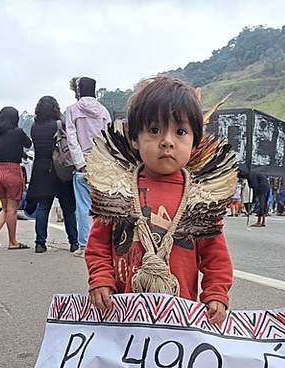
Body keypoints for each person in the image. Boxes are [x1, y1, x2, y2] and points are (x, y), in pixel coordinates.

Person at [85, 76, 235, 325]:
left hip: (180, 317)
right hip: (122, 314)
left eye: (180, 132)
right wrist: (100, 278)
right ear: (135, 138)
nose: (167, 141)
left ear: (195, 141)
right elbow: (98, 244)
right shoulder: (117, 190)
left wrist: (216, 293)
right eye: (154, 130)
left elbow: (215, 255)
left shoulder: (201, 198)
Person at [65, 76, 111, 256]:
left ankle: (85, 245)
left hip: (83, 166)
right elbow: (108, 139)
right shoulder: (104, 111)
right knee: (103, 207)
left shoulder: (72, 110)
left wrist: (80, 163)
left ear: (79, 90)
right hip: (101, 165)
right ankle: (104, 246)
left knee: (83, 207)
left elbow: (71, 138)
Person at [26, 95, 78, 253]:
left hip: (41, 170)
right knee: (67, 207)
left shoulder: (34, 127)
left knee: (43, 207)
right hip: (60, 168)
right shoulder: (59, 124)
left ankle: (40, 243)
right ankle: (74, 242)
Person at [0, 106, 32, 250]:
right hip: (12, 171)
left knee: (4, 208)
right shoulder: (18, 132)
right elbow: (29, 143)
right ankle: (13, 242)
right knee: (12, 210)